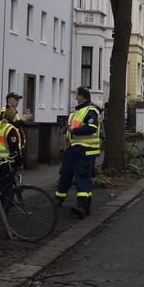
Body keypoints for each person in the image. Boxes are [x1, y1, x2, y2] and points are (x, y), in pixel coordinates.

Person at [55, 86, 103, 218]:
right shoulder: (76, 112)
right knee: (65, 174)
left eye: (76, 95)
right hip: (74, 150)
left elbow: (91, 128)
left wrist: (74, 131)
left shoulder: (91, 110)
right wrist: (66, 148)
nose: (75, 97)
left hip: (85, 150)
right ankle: (58, 200)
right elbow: (67, 132)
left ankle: (83, 207)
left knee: (82, 177)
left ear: (82, 96)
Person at [0, 108, 23, 203]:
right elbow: (14, 149)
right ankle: (5, 205)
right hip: (9, 161)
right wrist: (19, 162)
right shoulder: (10, 129)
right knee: (7, 185)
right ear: (13, 117)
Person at [0, 92, 33, 158]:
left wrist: (23, 120)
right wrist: (22, 120)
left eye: (18, 99)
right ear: (9, 100)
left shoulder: (13, 111)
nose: (18, 101)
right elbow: (8, 126)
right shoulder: (5, 111)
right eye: (16, 99)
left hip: (12, 144)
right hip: (7, 146)